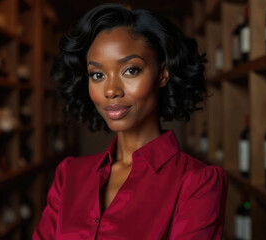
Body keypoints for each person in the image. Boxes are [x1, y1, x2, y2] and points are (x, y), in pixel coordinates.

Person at [33, 3, 228, 240]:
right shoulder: (69, 175)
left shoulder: (197, 183)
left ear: (162, 74)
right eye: (97, 75)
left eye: (130, 70)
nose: (111, 90)